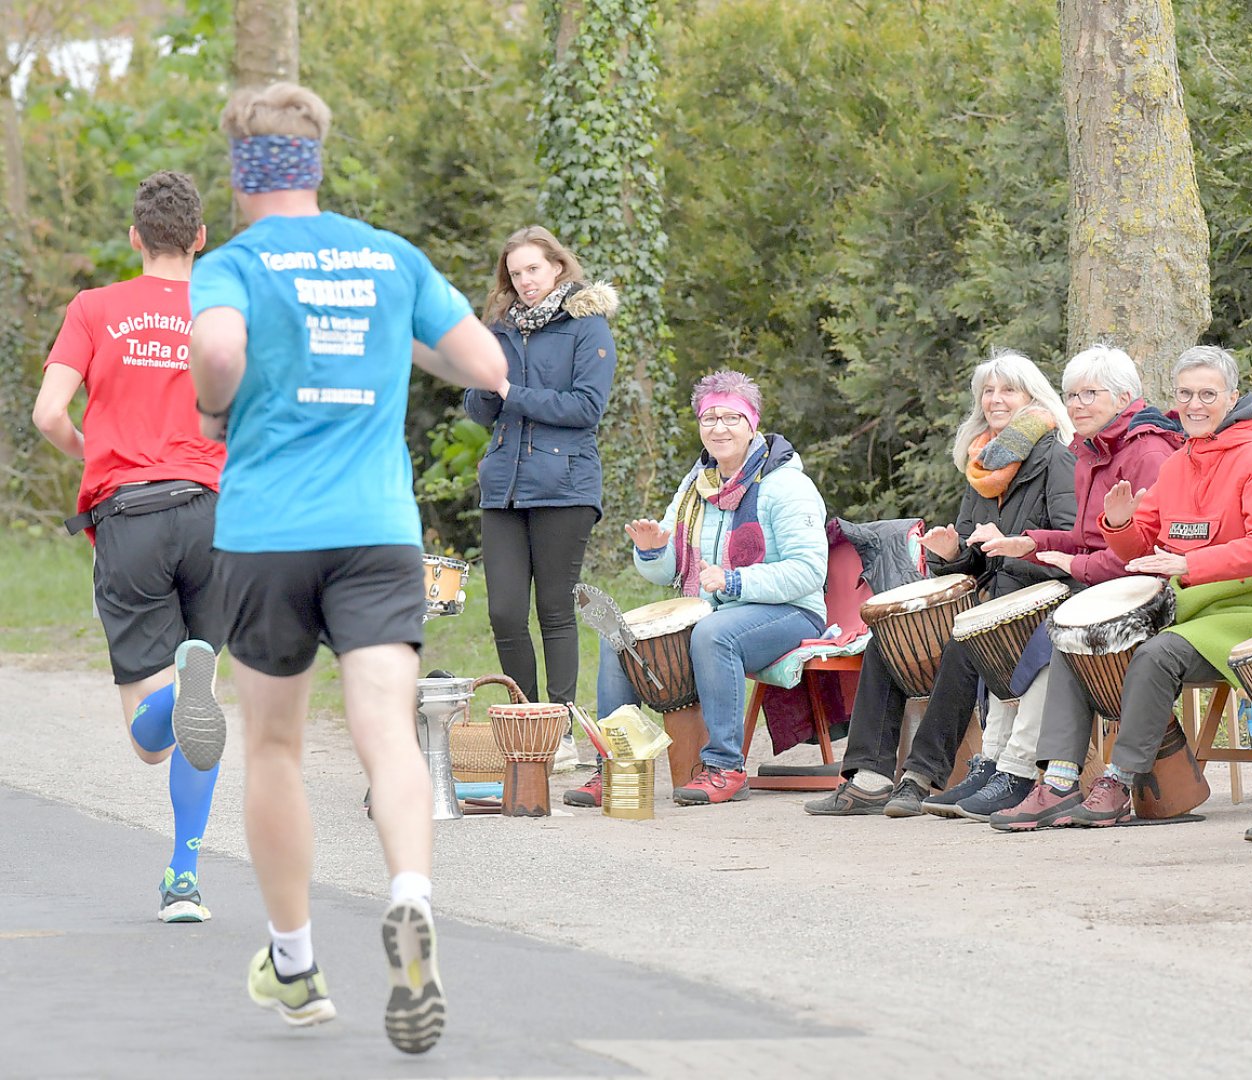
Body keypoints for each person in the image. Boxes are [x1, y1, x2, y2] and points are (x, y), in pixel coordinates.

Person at [188, 82, 507, 1051]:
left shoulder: (235, 263)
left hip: (268, 531)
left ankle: (294, 963)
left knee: (276, 748)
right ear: (314, 163)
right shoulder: (389, 258)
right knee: (389, 736)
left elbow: (212, 346)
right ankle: (408, 898)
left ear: (243, 172)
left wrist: (214, 409)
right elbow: (486, 362)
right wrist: (393, 344)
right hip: (375, 529)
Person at [31, 170, 228, 923]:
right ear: (201, 239)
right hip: (212, 513)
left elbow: (50, 412)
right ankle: (183, 878)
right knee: (195, 722)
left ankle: (182, 689)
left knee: (152, 742)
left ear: (136, 238)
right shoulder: (225, 310)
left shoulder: (94, 308)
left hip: (131, 516)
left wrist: (93, 451)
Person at [805, 350, 1076, 818]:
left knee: (962, 641)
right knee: (886, 641)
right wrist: (954, 555)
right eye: (987, 391)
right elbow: (976, 563)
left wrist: (1015, 546)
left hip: (1039, 602)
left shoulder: (1056, 457)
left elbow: (1070, 551)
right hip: (990, 598)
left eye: (1007, 390)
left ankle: (920, 777)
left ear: (1033, 397)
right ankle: (868, 778)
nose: (995, 399)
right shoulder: (983, 466)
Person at [567, 370, 828, 807]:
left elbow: (808, 571)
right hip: (715, 607)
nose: (719, 428)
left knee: (715, 633)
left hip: (791, 611)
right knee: (619, 637)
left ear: (752, 424)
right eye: (710, 419)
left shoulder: (787, 485)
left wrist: (734, 580)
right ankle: (615, 767)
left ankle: (726, 768)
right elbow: (668, 569)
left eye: (731, 418)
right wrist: (652, 552)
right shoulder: (696, 485)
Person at [1071, 345, 1252, 826]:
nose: (1195, 405)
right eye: (1185, 394)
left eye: (1208, 394)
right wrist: (1118, 524)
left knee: (1157, 654)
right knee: (1088, 642)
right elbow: (1144, 552)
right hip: (1193, 610)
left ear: (1233, 397)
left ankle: (1119, 779)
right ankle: (1062, 776)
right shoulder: (1178, 463)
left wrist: (1188, 564)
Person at [966, 346, 1183, 830]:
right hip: (1105, 582)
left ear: (1126, 396)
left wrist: (1078, 565)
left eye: (1091, 393)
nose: (1078, 403)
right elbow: (1086, 536)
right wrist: (1031, 542)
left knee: (1056, 634)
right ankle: (1040, 775)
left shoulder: (1146, 451)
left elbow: (1145, 552)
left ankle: (1040, 776)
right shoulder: (1090, 449)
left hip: (1151, 591)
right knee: (1049, 630)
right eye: (1071, 395)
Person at [464, 225, 618, 768]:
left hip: (565, 485)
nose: (524, 280)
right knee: (505, 613)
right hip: (503, 486)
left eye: (533, 268)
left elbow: (585, 408)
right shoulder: (499, 329)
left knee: (554, 611)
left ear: (557, 266)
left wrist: (510, 392)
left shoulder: (586, 324)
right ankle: (525, 724)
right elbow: (481, 411)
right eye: (515, 272)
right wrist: (483, 384)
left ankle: (565, 732)